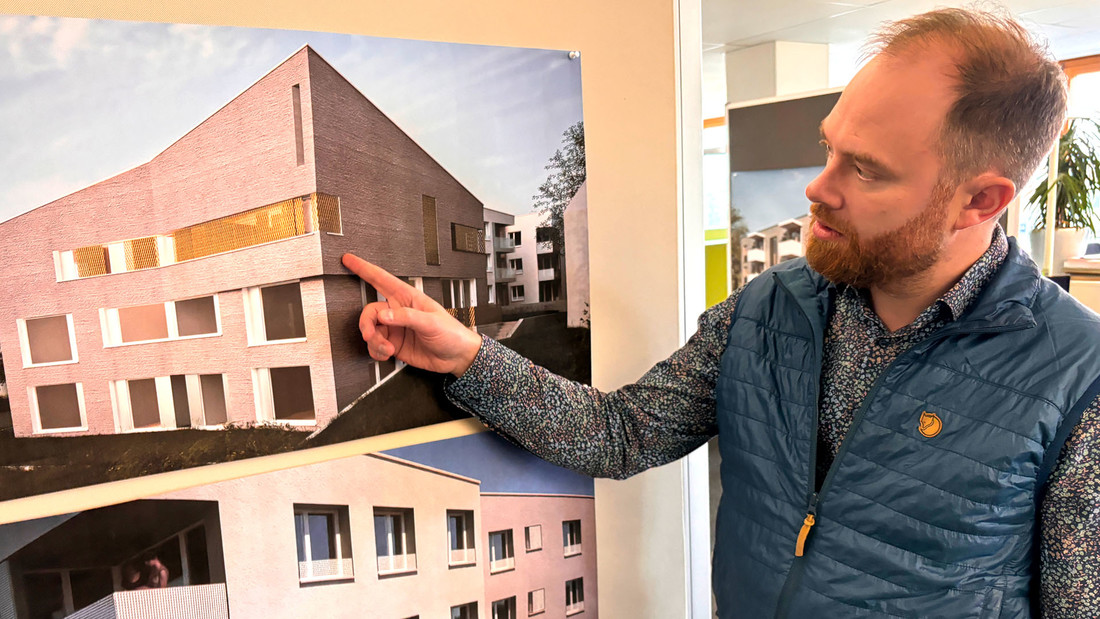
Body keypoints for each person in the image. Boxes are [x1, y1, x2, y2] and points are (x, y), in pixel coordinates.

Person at [342, 8, 1100, 618]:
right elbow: (621, 433)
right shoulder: (772, 307)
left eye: (865, 170)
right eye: (829, 148)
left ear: (981, 200)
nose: (818, 187)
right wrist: (468, 356)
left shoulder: (1076, 375)